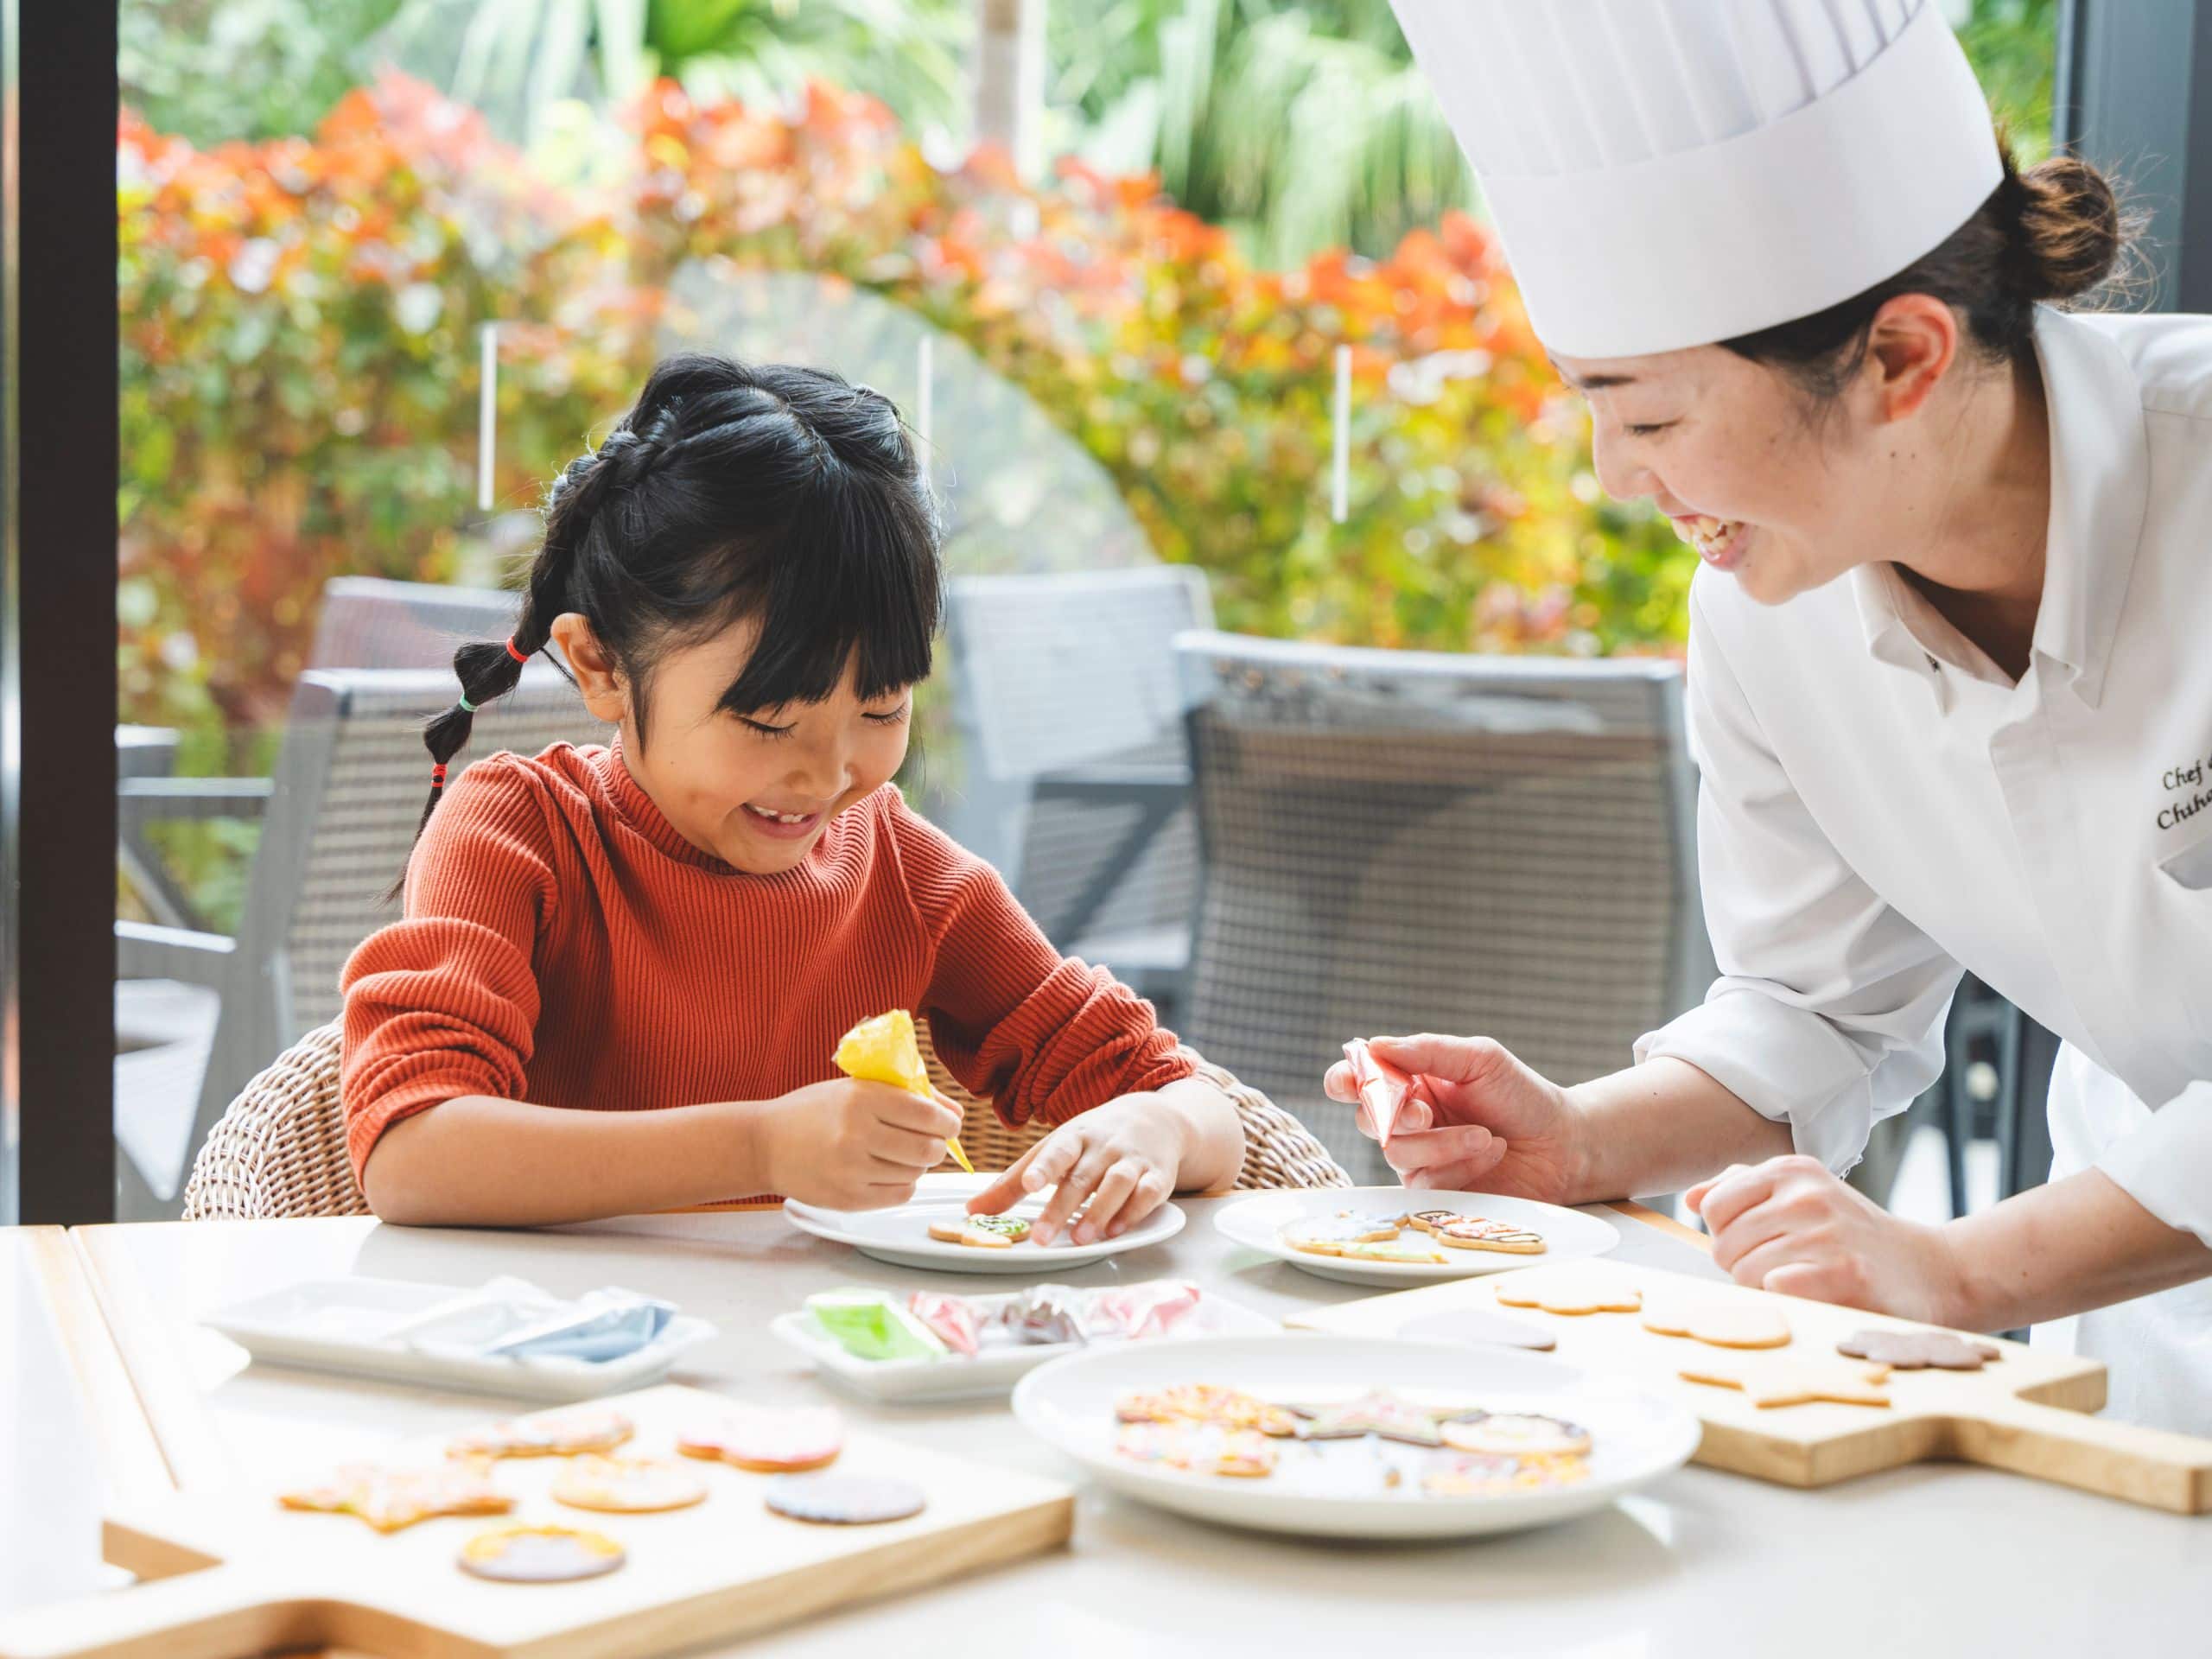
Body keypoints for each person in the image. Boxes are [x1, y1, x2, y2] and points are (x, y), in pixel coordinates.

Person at [1339, 0, 2212, 1432]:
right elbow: (1818, 1006)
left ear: (1905, 359)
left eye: (1654, 418)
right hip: (2160, 1332)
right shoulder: (1767, 600)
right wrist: (1575, 1140)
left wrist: (1951, 1270)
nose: (1618, 478)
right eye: (1594, 414)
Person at [340, 353, 1242, 1236]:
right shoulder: (519, 834)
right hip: (548, 1362)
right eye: (769, 722)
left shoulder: (904, 873)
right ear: (600, 665)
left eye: (882, 708)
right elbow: (412, 1155)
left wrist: (1154, 1126)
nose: (827, 774)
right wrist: (760, 1146)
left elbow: (1195, 1107)